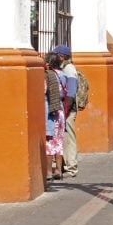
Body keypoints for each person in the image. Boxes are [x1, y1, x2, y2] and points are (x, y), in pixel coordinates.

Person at [53, 44, 79, 177]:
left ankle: (71, 166)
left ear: (61, 56)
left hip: (68, 109)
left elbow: (71, 92)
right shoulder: (64, 68)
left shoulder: (69, 69)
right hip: (65, 108)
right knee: (63, 137)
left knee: (69, 137)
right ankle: (64, 165)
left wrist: (66, 110)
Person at [44, 52, 67, 181]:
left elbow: (43, 93)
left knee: (49, 142)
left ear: (48, 63)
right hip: (60, 111)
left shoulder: (48, 76)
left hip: (50, 112)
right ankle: (58, 170)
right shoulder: (62, 75)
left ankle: (48, 172)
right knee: (58, 142)